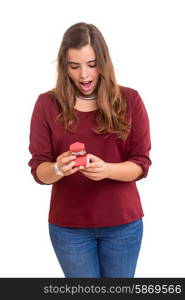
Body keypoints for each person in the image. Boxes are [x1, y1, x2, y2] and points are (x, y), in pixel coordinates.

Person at [28, 22, 152, 278]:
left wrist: (107, 170)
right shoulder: (46, 104)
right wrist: (57, 168)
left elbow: (141, 164)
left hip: (123, 225)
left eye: (92, 65)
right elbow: (39, 171)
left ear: (103, 63)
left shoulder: (130, 100)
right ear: (64, 67)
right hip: (69, 229)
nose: (84, 75)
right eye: (75, 66)